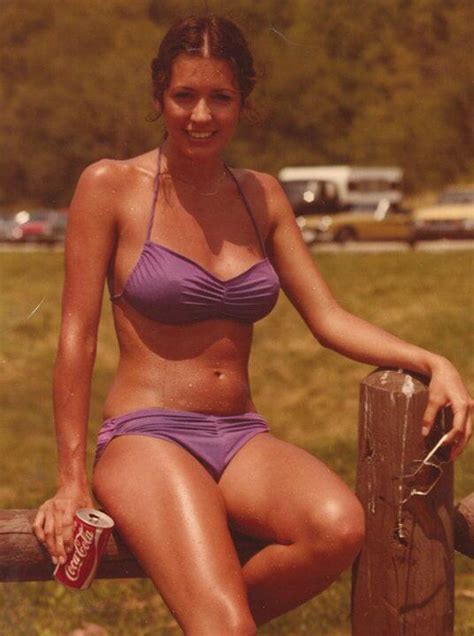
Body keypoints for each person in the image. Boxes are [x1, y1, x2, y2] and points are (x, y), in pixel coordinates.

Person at [33, 15, 472, 635]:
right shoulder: (111, 185)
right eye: (184, 95)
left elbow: (327, 317)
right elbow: (76, 338)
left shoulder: (260, 196)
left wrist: (432, 361)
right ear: (159, 94)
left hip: (241, 435)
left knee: (338, 527)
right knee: (228, 626)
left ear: (244, 102)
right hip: (148, 435)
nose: (201, 115)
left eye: (220, 97)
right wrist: (70, 481)